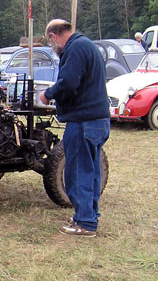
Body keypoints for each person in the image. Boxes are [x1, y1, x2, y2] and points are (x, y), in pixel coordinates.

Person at [39, 19, 110, 237]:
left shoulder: (75, 48)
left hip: (83, 122)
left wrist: (47, 94)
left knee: (77, 173)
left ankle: (86, 224)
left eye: (51, 42)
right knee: (91, 171)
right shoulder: (87, 45)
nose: (53, 48)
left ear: (53, 36)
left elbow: (69, 82)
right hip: (97, 120)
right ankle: (87, 215)